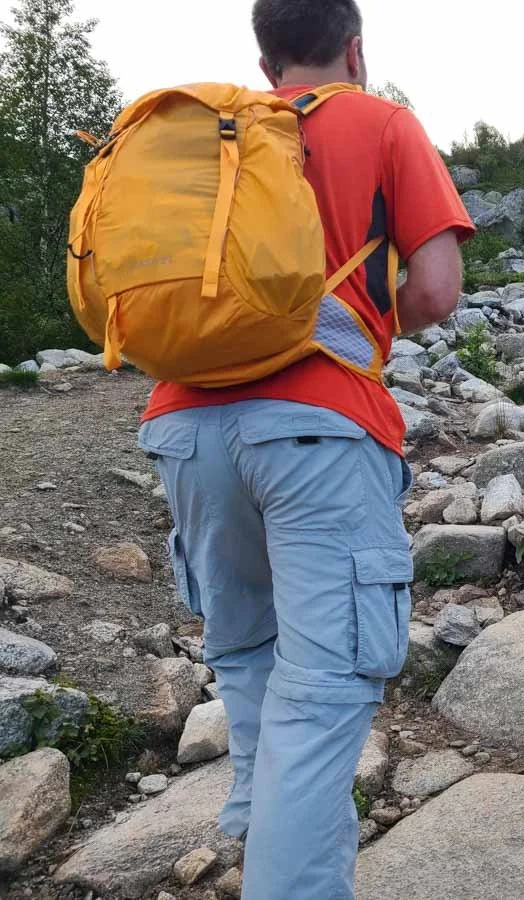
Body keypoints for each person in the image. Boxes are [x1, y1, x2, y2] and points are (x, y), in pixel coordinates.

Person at [136, 2, 474, 897]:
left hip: (182, 426)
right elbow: (437, 288)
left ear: (264, 55)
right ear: (355, 48)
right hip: (317, 427)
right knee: (324, 696)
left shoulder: (218, 136)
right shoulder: (383, 119)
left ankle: (263, 828)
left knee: (248, 652)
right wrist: (356, 325)